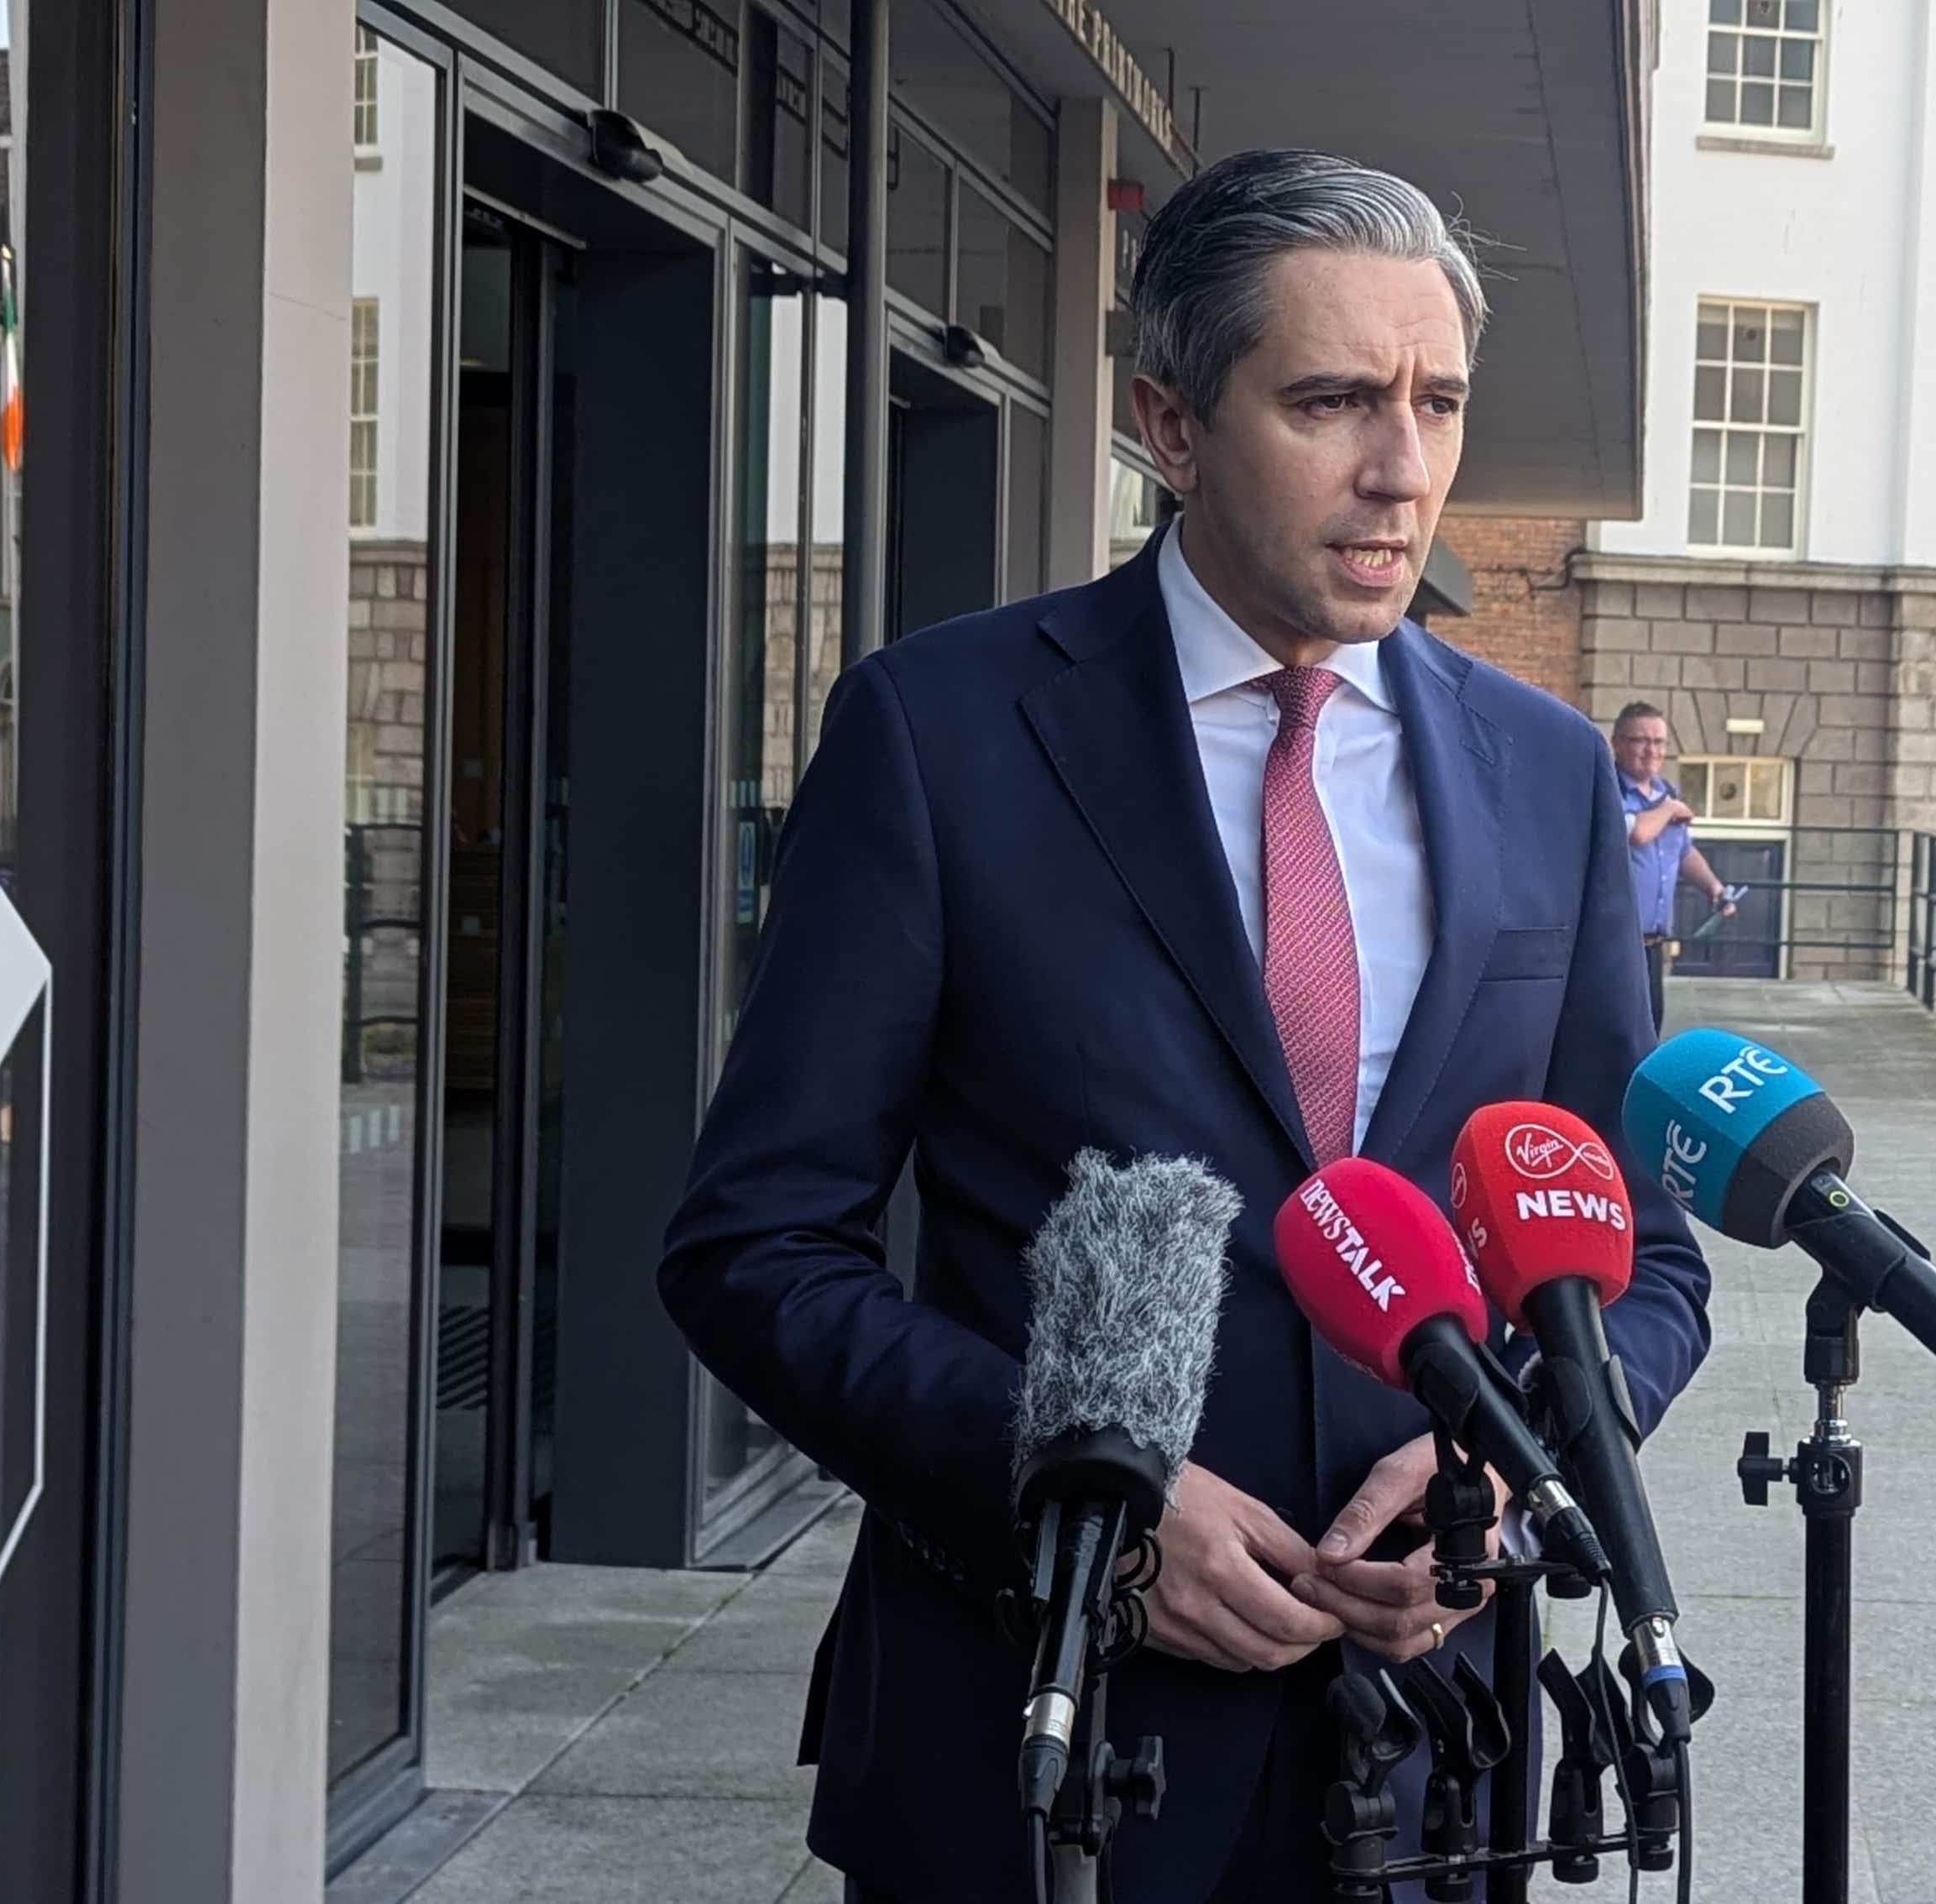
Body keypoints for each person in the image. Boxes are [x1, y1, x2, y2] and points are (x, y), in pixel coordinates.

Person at [658, 149, 1712, 1904]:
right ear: (1169, 420)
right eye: (1332, 401)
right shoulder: (940, 732)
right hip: (1037, 1743)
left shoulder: (1543, 773)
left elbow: (1639, 1256)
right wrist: (1081, 1492)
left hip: (1430, 1770)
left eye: (1438, 403)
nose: (1402, 469)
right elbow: (754, 1246)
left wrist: (1508, 1474)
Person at [1613, 701, 1734, 1030]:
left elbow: (1683, 851)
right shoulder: (1607, 789)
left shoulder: (1665, 793)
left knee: (1651, 1030)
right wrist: (1669, 809)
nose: (1652, 751)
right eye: (1641, 740)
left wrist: (1713, 887)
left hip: (1653, 946)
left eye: (1659, 742)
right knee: (1617, 1034)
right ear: (1617, 743)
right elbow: (1636, 833)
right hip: (1615, 944)